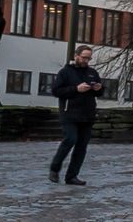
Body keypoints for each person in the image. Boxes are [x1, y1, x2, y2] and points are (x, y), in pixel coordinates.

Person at [49, 44, 104, 185]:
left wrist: (99, 88)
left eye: (89, 58)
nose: (86, 61)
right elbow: (56, 91)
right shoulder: (65, 72)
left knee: (82, 146)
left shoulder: (92, 72)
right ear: (77, 56)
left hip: (87, 114)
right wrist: (76, 89)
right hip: (70, 113)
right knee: (70, 139)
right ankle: (55, 168)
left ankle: (72, 176)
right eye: (84, 57)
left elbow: (100, 91)